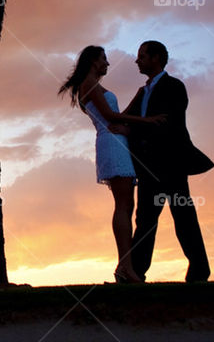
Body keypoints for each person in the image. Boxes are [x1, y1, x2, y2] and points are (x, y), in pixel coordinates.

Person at [58, 45, 168, 284]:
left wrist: (137, 100)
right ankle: (125, 267)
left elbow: (117, 113)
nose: (108, 63)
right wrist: (147, 120)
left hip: (117, 142)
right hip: (112, 143)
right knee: (123, 205)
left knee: (127, 206)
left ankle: (125, 267)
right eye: (104, 59)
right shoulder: (89, 84)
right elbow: (110, 117)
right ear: (94, 61)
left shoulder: (92, 85)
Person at [124, 40, 214, 282]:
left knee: (183, 216)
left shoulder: (174, 86)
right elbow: (126, 119)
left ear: (156, 58)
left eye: (141, 56)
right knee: (144, 221)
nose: (137, 60)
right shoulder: (142, 92)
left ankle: (199, 271)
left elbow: (168, 122)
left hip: (171, 164)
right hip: (146, 166)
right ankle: (135, 273)